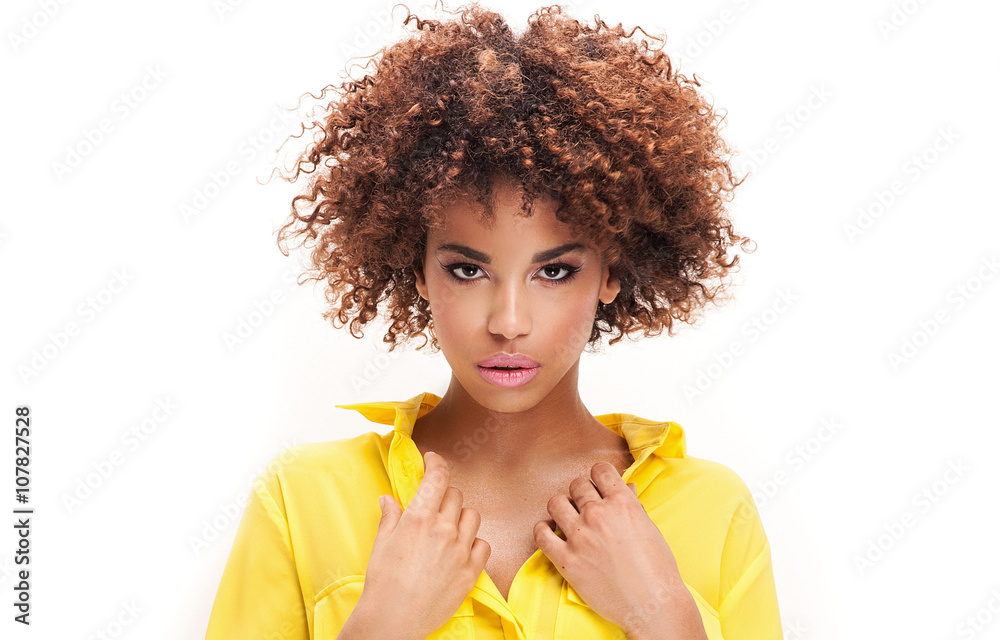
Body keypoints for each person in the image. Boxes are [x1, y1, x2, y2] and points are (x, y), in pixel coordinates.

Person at [205, 3, 782, 639]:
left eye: (554, 272)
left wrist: (667, 619)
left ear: (611, 271)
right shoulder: (305, 500)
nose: (508, 322)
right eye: (467, 270)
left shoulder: (713, 509)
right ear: (416, 268)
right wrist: (382, 626)